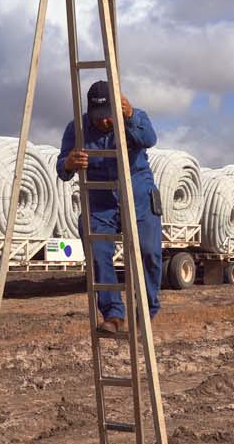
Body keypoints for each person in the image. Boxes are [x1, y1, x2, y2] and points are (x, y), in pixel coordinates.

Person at [56, 80, 163, 336]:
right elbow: (62, 169)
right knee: (96, 248)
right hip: (100, 200)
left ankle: (144, 313)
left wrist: (129, 115)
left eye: (108, 116)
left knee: (148, 252)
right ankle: (114, 315)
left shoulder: (133, 119)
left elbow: (149, 139)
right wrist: (69, 163)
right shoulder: (77, 129)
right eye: (99, 117)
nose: (105, 122)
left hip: (137, 195)